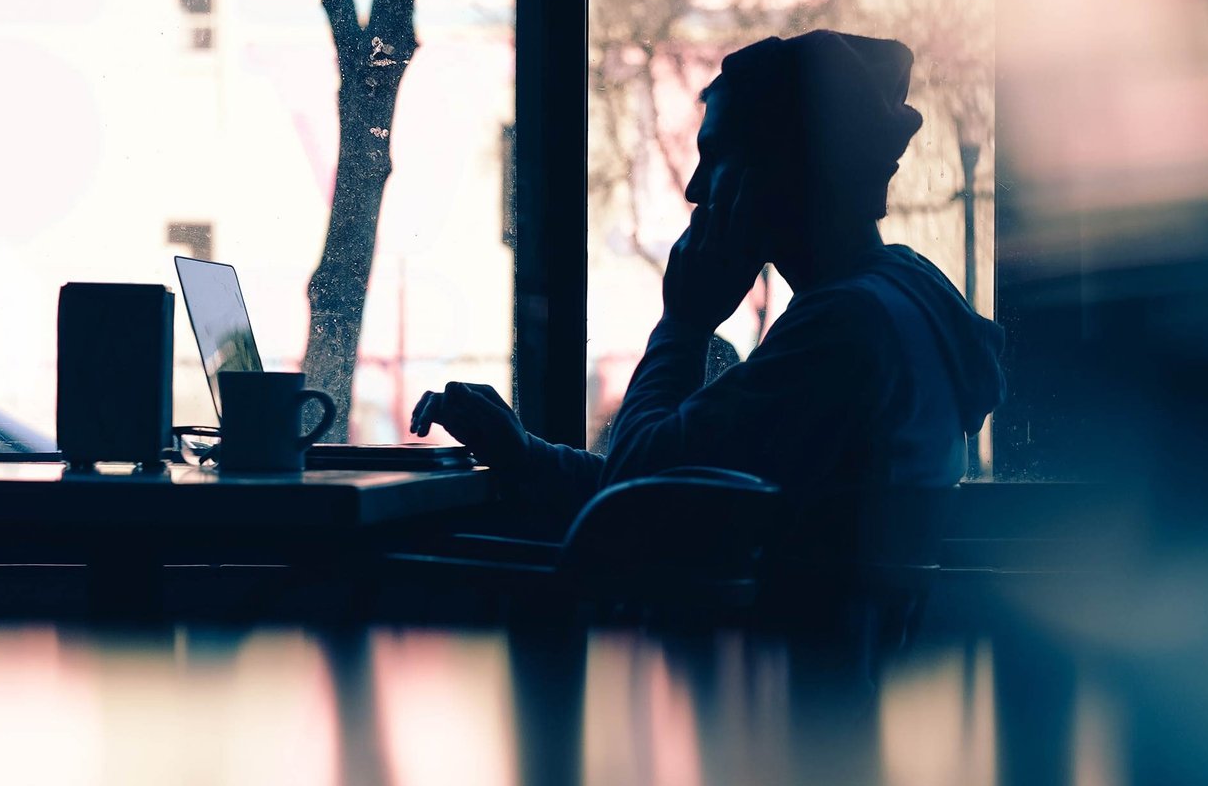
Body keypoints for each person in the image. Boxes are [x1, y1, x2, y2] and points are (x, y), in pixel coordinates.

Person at [412, 30, 1006, 541]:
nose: (696, 189)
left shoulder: (843, 330)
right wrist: (523, 453)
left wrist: (684, 323)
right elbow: (676, 476)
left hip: (762, 663)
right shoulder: (901, 297)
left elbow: (635, 498)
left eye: (716, 155)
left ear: (785, 169)